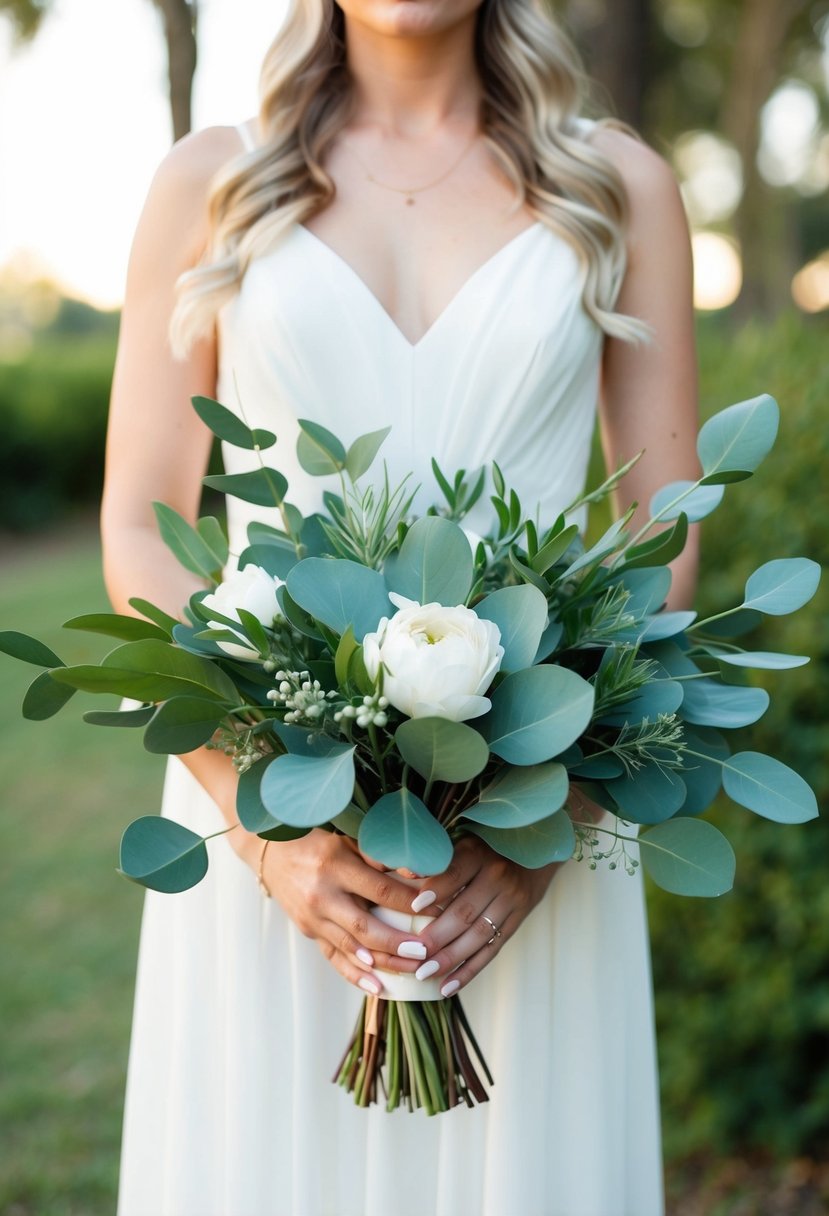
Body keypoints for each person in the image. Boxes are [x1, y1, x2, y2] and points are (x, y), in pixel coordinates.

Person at [103, 1, 699, 1213]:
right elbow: (138, 528)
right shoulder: (211, 179)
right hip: (274, 823)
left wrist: (558, 810)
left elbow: (661, 535)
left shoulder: (618, 182)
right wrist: (267, 824)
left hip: (529, 841)